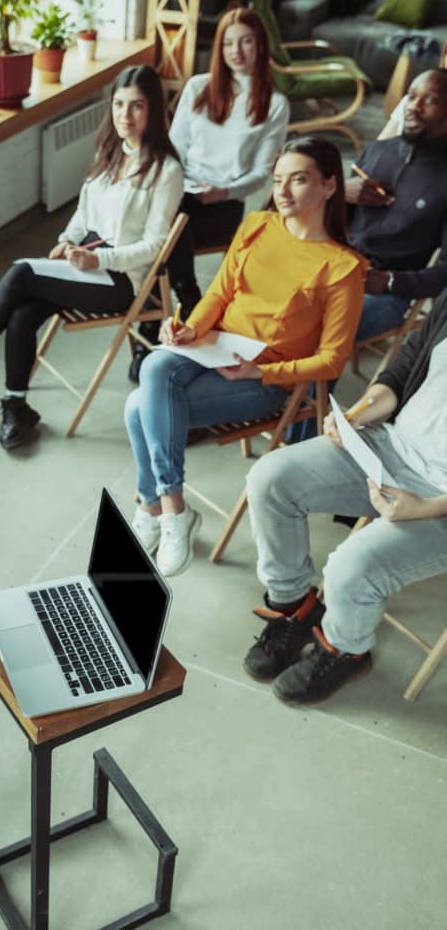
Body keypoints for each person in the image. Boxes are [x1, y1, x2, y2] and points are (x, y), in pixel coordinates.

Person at [126, 137, 366, 577]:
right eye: (278, 180)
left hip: (261, 381)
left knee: (136, 405)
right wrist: (191, 329)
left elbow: (332, 360)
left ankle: (152, 505)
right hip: (213, 347)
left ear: (330, 186)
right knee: (156, 363)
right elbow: (219, 292)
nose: (284, 191)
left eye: (299, 180)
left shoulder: (343, 267)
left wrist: (265, 370)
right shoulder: (257, 225)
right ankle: (173, 507)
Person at [0, 64, 183, 450]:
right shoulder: (109, 152)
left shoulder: (166, 170)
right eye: (119, 105)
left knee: (22, 272)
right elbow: (83, 215)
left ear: (154, 110)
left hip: (121, 280)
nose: (126, 115)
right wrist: (65, 240)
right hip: (85, 261)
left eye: (137, 106)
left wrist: (99, 262)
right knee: (22, 313)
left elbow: (156, 247)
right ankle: (16, 405)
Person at [242, 289, 447, 705]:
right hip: (392, 445)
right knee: (271, 477)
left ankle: (346, 650)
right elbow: (403, 371)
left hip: (440, 500)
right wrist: (355, 417)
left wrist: (427, 507)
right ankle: (294, 606)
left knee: (354, 567)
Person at [129, 6, 290, 382]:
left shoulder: (274, 104)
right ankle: (186, 297)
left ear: (261, 46)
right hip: (181, 193)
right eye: (229, 43)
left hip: (224, 204)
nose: (237, 51)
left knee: (160, 231)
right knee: (168, 217)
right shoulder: (199, 87)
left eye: (246, 41)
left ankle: (149, 335)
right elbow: (175, 148)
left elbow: (262, 173)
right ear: (219, 47)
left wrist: (224, 191)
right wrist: (173, 181)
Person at [345, 68, 447, 343]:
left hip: (386, 293)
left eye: (430, 100)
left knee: (320, 332)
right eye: (412, 96)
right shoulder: (379, 150)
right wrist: (341, 194)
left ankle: (306, 386)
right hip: (335, 266)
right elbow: (329, 221)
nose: (414, 106)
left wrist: (391, 281)